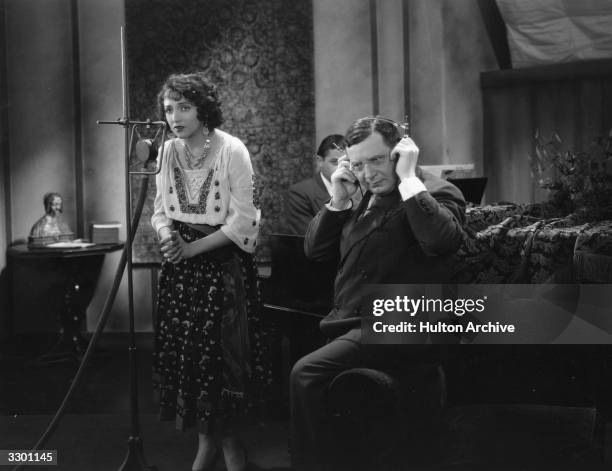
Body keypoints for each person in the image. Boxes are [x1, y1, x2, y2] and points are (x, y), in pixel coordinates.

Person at [289, 116, 466, 471]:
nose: (368, 173)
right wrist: (338, 199)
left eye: (376, 160)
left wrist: (410, 178)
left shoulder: (435, 191)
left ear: (400, 153)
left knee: (304, 373)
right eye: (358, 164)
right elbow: (314, 250)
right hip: (356, 324)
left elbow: (439, 240)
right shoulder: (363, 197)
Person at [150, 72, 270, 471]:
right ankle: (212, 445)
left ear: (204, 108)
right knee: (193, 362)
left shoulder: (232, 149)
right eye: (169, 109)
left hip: (223, 271)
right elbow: (159, 210)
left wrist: (190, 248)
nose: (174, 117)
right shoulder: (166, 152)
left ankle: (226, 448)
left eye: (184, 107)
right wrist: (167, 235)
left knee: (222, 363)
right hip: (181, 277)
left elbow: (244, 222)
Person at [285, 134, 349, 235]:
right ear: (320, 161)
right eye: (335, 162)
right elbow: (309, 238)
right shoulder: (299, 193)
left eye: (347, 162)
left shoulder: (360, 187)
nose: (342, 168)